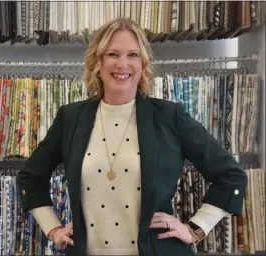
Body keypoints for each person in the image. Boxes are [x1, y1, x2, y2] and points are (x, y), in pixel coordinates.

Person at [16, 17, 247, 256]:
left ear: (144, 62)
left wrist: (196, 229)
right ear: (98, 61)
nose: (122, 64)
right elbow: (30, 178)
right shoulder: (71, 118)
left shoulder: (169, 116)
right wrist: (53, 229)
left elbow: (231, 175)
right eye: (113, 54)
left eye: (133, 55)